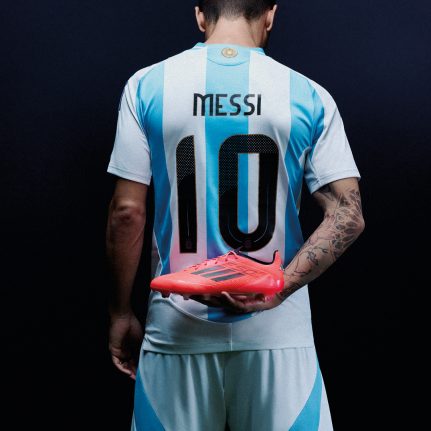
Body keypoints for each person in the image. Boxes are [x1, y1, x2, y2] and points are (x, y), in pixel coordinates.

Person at [106, 1, 365, 429]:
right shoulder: (308, 94)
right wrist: (278, 289)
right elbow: (348, 215)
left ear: (200, 16)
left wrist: (120, 312)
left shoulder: (147, 85)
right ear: (270, 15)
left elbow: (126, 212)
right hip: (278, 334)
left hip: (176, 329)